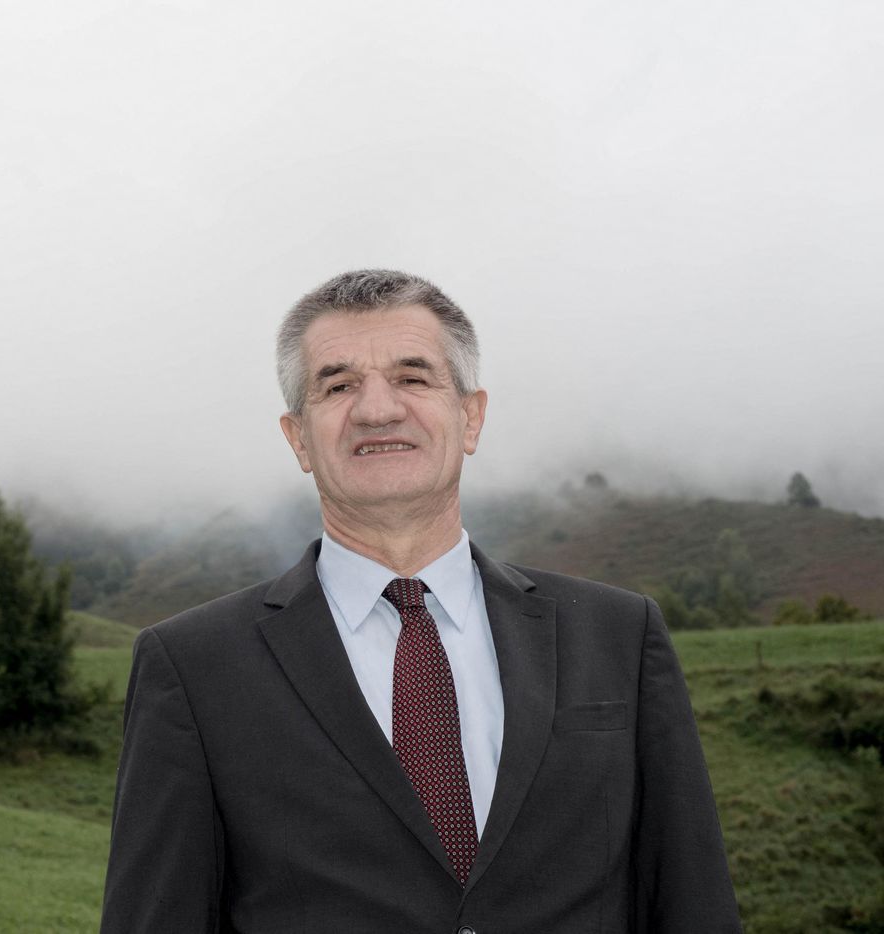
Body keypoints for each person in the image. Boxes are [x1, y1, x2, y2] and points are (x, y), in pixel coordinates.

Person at [100, 269, 741, 933]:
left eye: (412, 377)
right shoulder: (193, 667)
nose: (377, 410)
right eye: (339, 385)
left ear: (471, 417)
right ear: (298, 438)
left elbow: (692, 901)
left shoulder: (618, 635)